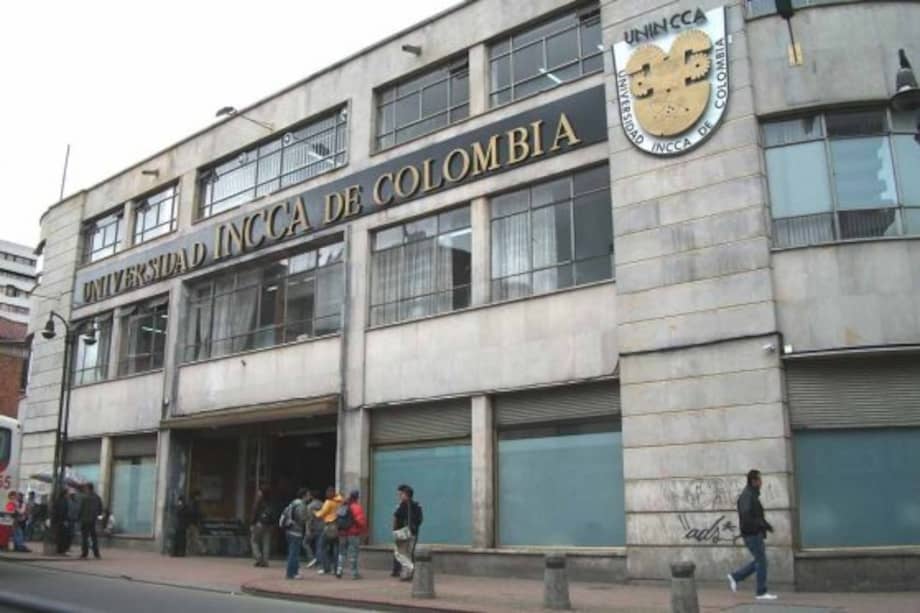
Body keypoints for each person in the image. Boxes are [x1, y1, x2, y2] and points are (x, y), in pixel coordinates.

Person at [728, 469, 778, 601]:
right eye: (760, 480)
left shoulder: (752, 495)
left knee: (760, 561)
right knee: (761, 562)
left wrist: (766, 526)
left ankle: (735, 576)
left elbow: (756, 516)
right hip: (752, 534)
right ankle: (761, 592)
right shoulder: (747, 496)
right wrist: (761, 526)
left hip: (755, 533)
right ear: (754, 481)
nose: (761, 482)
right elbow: (747, 516)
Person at [392, 484, 423, 581]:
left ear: (406, 495)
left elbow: (395, 518)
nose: (400, 496)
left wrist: (395, 530)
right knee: (408, 553)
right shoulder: (417, 505)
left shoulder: (402, 506)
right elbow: (420, 520)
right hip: (412, 532)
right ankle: (408, 573)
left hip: (403, 533)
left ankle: (406, 574)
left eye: (401, 494)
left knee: (403, 554)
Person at [336, 489, 367, 579]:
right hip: (353, 533)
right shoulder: (357, 507)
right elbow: (361, 522)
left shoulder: (343, 506)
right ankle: (354, 573)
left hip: (342, 533)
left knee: (342, 552)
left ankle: (339, 570)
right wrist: (363, 531)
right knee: (353, 553)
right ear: (357, 497)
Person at [313, 486, 343, 575]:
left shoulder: (328, 502)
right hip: (338, 526)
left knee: (321, 546)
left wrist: (315, 512)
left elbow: (321, 514)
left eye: (328, 492)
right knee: (336, 548)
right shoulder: (340, 501)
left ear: (331, 493)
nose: (326, 494)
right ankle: (337, 568)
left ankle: (326, 567)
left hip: (329, 526)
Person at [281, 488, 310, 580]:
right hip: (295, 531)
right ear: (304, 495)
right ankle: (291, 573)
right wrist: (307, 517)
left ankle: (294, 572)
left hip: (289, 530)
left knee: (293, 552)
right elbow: (301, 518)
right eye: (308, 494)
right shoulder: (301, 505)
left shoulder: (293, 503)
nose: (309, 496)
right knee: (294, 553)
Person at [250, 486, 274, 567]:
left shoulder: (259, 501)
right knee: (266, 543)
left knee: (254, 541)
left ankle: (258, 558)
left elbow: (254, 512)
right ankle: (266, 561)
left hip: (259, 524)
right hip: (269, 525)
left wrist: (252, 523)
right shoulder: (271, 501)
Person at [79, 483, 103, 559]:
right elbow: (100, 509)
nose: (85, 490)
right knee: (94, 537)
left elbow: (80, 509)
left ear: (88, 488)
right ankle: (96, 554)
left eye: (85, 488)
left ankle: (84, 553)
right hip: (93, 520)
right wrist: (97, 516)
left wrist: (79, 517)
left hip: (85, 520)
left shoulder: (84, 497)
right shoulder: (97, 497)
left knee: (84, 537)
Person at [303, 490, 324, 568]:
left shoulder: (310, 506)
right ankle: (319, 562)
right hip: (322, 527)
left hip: (312, 528)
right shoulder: (323, 505)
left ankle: (312, 558)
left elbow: (309, 519)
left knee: (305, 543)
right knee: (319, 546)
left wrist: (307, 529)